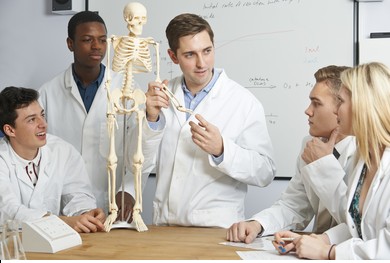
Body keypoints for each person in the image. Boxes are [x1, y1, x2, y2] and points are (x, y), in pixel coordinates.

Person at [121, 13, 276, 228]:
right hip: (165, 226)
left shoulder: (244, 102)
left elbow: (265, 172)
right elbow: (136, 162)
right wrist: (151, 119)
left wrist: (222, 150)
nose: (201, 63)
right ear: (173, 56)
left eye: (207, 51)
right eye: (190, 55)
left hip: (218, 228)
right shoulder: (160, 96)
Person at [274, 62, 390, 260]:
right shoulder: (365, 160)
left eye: (341, 102)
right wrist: (322, 240)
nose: (336, 112)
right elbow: (358, 224)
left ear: (362, 106)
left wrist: (329, 252)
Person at [226, 65, 356, 243]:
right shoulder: (310, 146)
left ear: (341, 107)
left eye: (316, 103)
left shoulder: (368, 153)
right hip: (316, 252)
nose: (308, 111)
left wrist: (324, 165)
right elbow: (294, 205)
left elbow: (356, 222)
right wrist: (257, 224)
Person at [38, 11, 125, 214]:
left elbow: (138, 146)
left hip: (113, 201)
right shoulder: (47, 92)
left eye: (102, 40)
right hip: (64, 203)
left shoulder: (124, 89)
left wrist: (127, 190)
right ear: (70, 44)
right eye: (87, 40)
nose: (97, 46)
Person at [0, 86, 105, 233]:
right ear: (10, 130)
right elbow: (9, 211)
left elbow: (78, 195)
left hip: (54, 243)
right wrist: (64, 222)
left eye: (42, 115)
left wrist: (85, 214)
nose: (43, 124)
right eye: (31, 120)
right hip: (11, 247)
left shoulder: (62, 151)